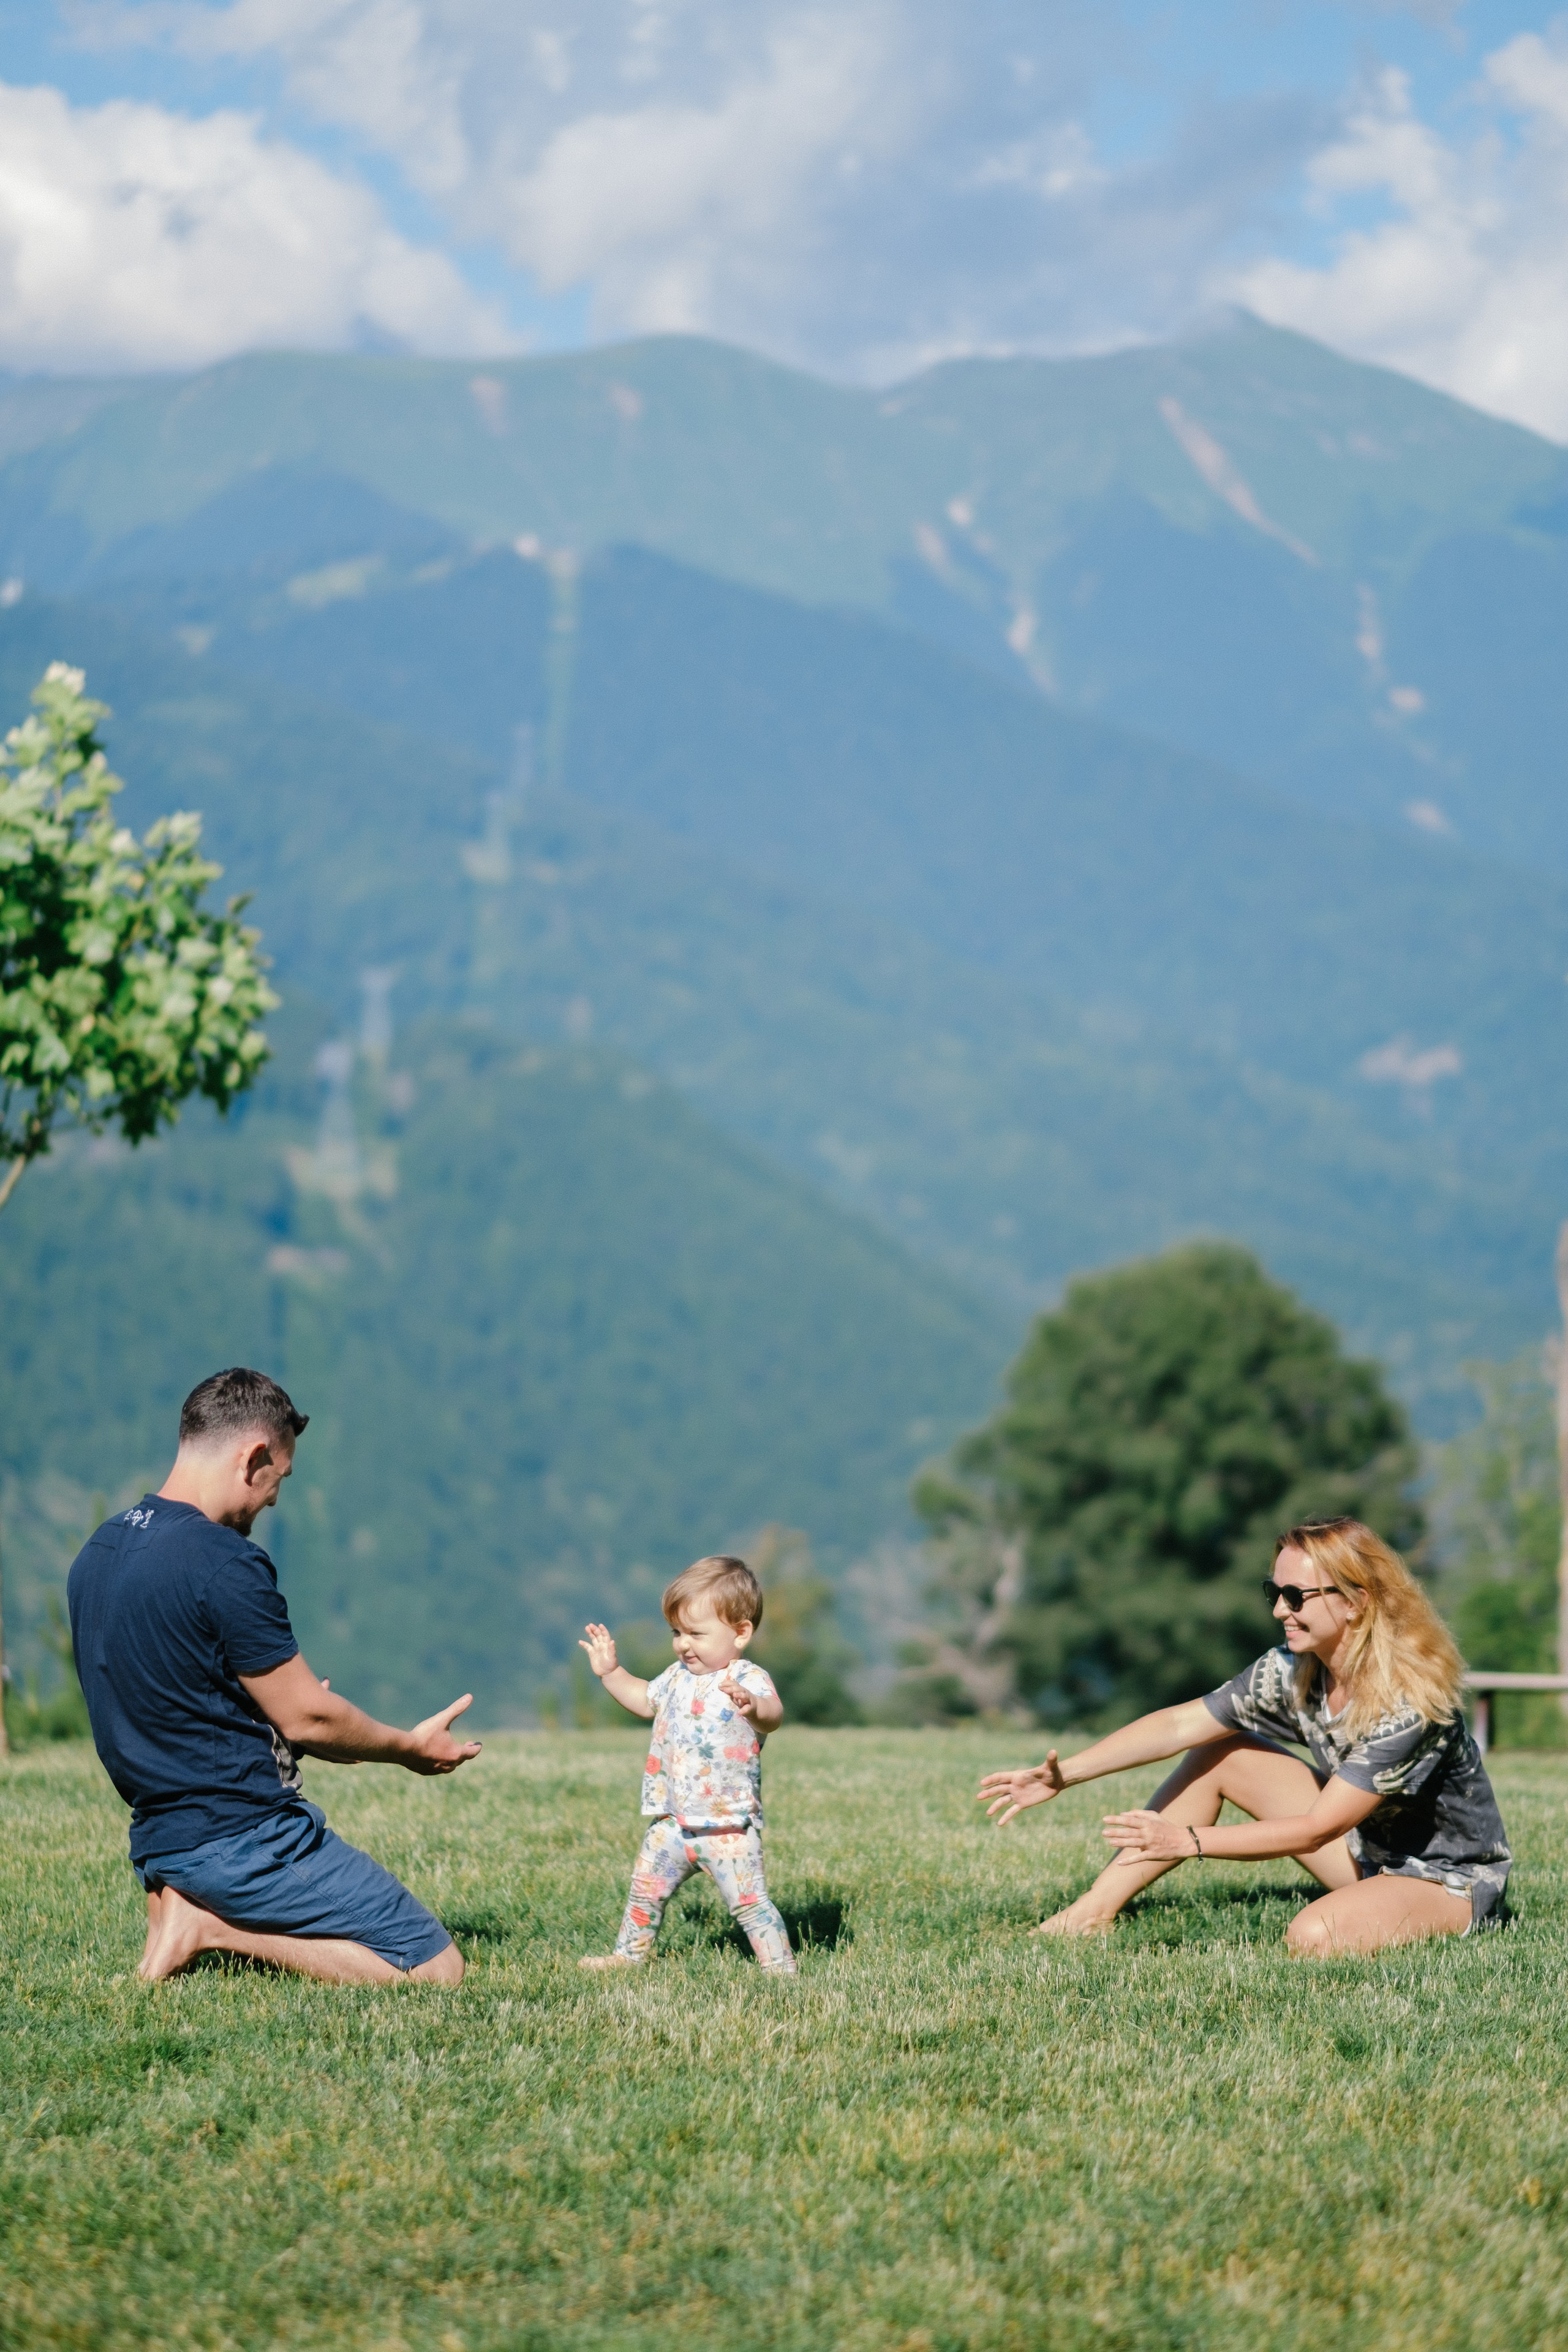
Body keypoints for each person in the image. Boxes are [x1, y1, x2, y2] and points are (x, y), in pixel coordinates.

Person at [67, 1367, 482, 1985]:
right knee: (435, 1969)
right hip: (245, 1836)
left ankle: (186, 1904)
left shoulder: (98, 1552)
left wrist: (286, 1724)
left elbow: (169, 1698)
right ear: (254, 1456)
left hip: (158, 1839)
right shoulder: (225, 1562)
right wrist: (406, 1747)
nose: (273, 1500)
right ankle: (213, 1928)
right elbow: (307, 1716)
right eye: (278, 1479)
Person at [976, 1517, 1511, 1955]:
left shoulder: (1409, 1705)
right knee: (1220, 1752)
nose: (1280, 1609)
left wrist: (1188, 1842)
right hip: (1367, 1850)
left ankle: (1435, 1916)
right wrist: (1065, 1775)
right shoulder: (1293, 1669)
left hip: (1445, 1881)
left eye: (1296, 1596)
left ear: (1355, 1601)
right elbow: (1182, 1724)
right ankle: (1088, 1914)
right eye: (1274, 1592)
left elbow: (1316, 1829)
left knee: (1314, 1938)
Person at [577, 1553, 796, 1975]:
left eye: (696, 1632)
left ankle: (781, 1970)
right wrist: (611, 1673)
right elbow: (644, 1700)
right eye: (677, 1631)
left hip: (728, 1827)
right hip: (673, 1823)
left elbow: (774, 1715)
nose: (683, 1643)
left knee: (750, 1905)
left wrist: (752, 1707)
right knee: (644, 1891)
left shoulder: (747, 1679)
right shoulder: (676, 1676)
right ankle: (628, 1956)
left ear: (741, 1632)